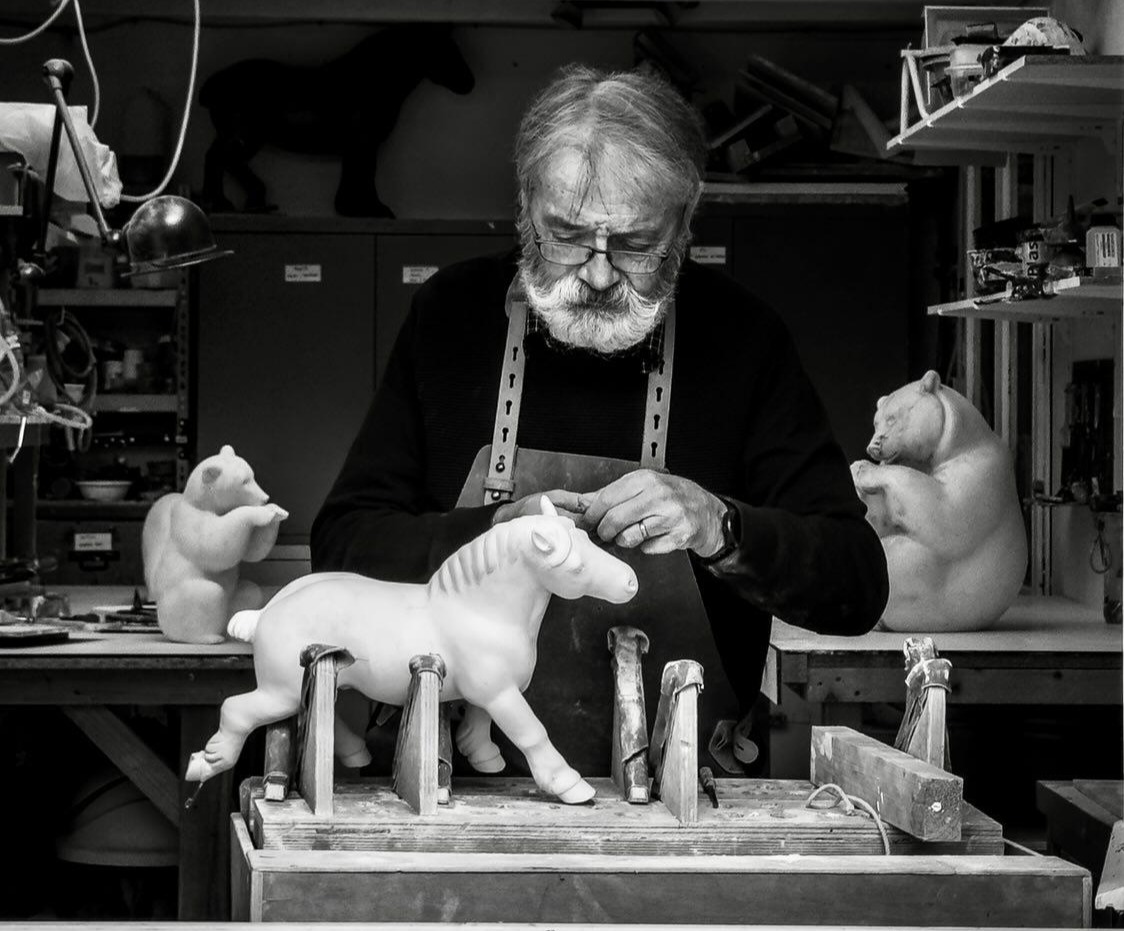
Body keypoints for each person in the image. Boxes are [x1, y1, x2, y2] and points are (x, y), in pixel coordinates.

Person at [311, 64, 888, 773]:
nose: (599, 274)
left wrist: (719, 524)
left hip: (680, 797)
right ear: (525, 210)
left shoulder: (744, 339)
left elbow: (855, 584)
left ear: (684, 223)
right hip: (448, 782)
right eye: (566, 235)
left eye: (637, 244)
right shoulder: (450, 318)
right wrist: (492, 531)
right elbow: (342, 544)